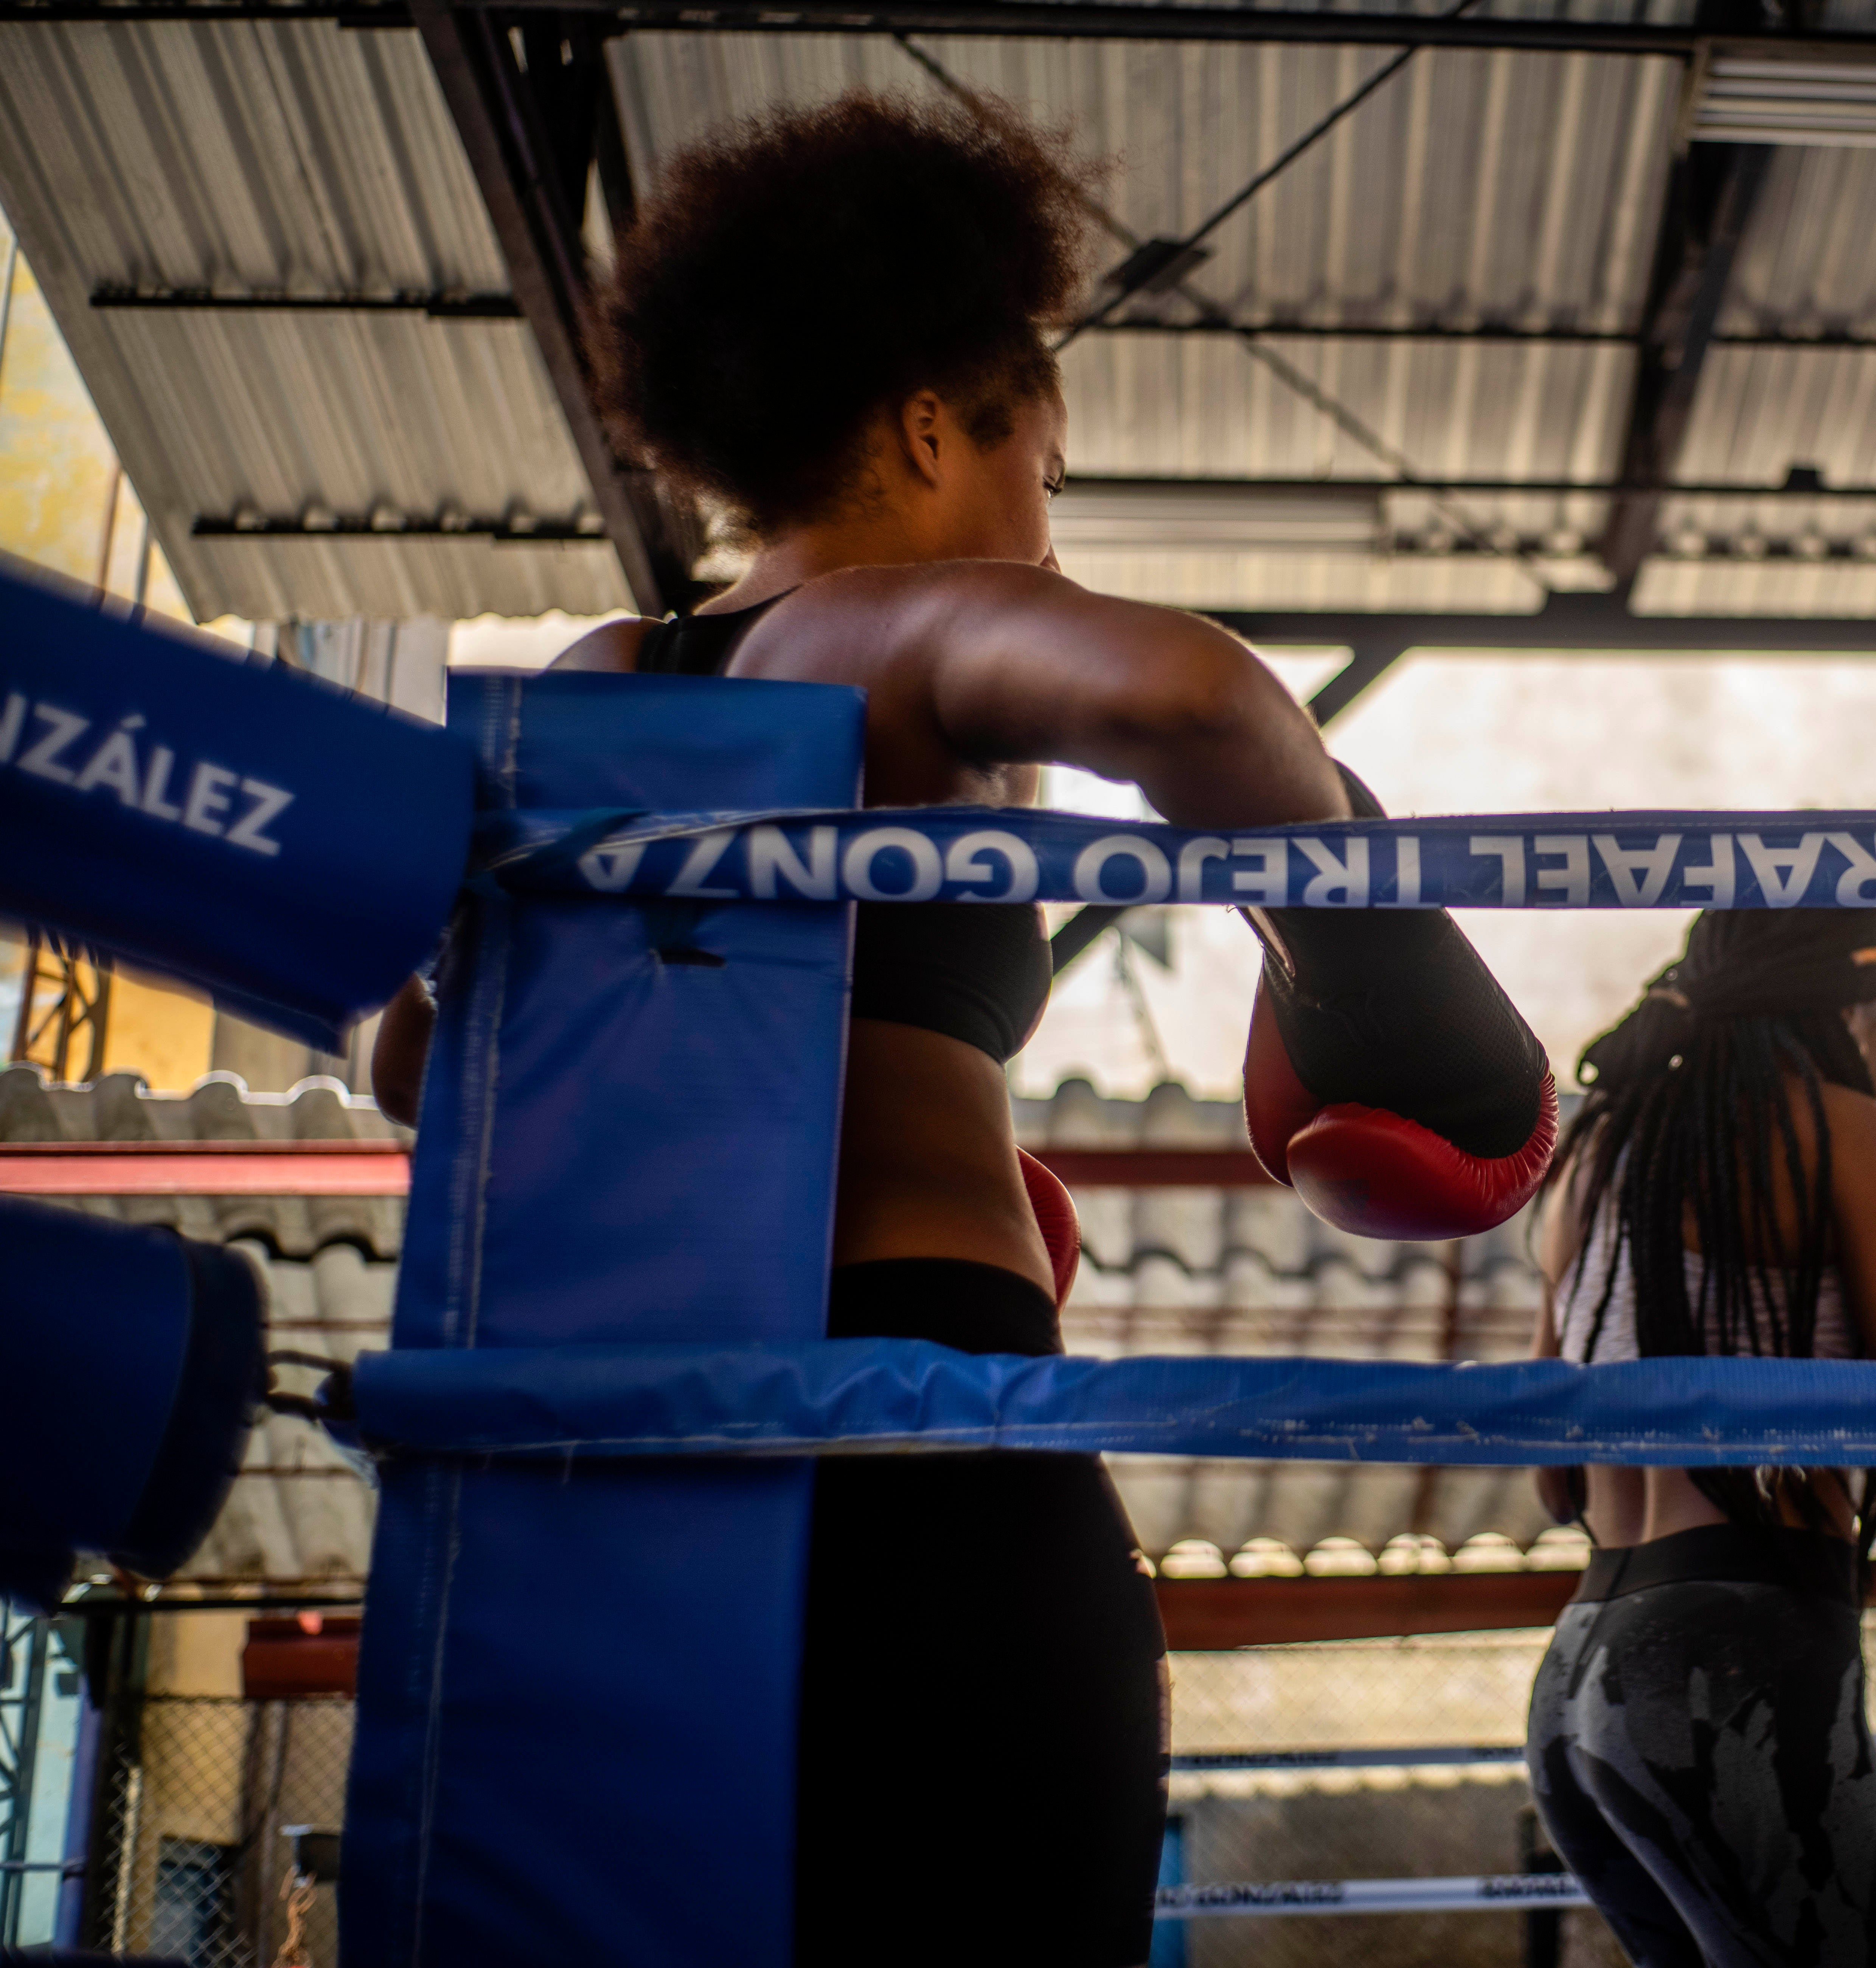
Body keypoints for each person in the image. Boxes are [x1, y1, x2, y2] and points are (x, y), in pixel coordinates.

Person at [370, 92, 1545, 1966]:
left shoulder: (606, 676)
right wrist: (1359, 964)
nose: (1040, 521)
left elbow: (423, 1065)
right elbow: (1197, 692)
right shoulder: (906, 631)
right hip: (922, 1422)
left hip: (633, 1451)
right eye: (1042, 470)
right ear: (933, 420)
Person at [1522, 909, 1876, 1968]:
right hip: (1729, 1667)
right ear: (1851, 1016)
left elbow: (1552, 1481)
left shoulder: (1591, 1159)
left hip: (1580, 1677)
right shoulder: (1843, 1132)